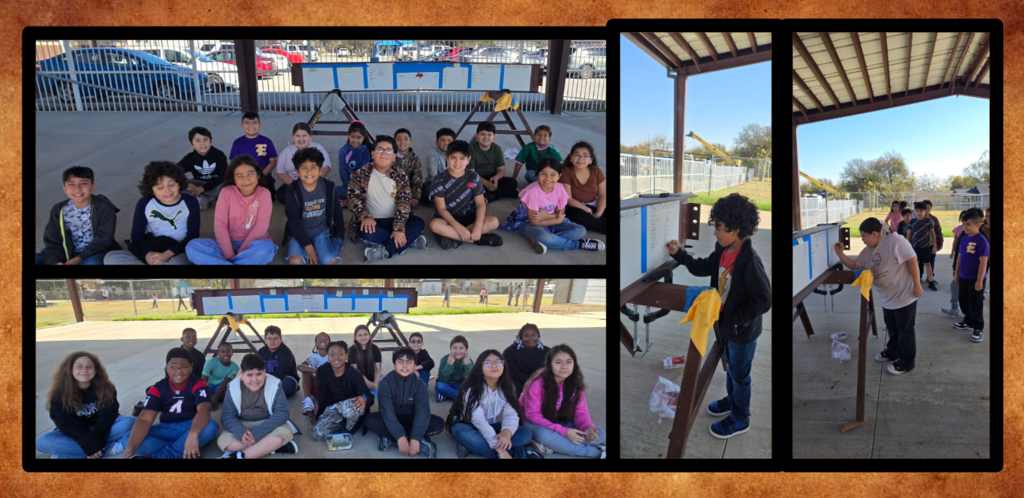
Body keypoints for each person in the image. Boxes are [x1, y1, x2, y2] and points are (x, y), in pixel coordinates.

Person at [666, 193, 772, 437]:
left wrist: (736, 320)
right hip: (725, 325)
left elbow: (764, 299)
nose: (715, 233)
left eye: (719, 228)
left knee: (740, 375)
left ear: (735, 230)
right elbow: (703, 267)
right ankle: (732, 400)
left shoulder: (749, 261)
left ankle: (740, 418)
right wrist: (679, 255)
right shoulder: (723, 250)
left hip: (741, 331)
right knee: (732, 369)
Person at [835, 217, 923, 375]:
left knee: (905, 330)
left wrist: (916, 284)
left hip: (904, 295)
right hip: (887, 297)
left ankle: (906, 362)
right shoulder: (869, 250)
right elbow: (856, 265)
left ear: (875, 233)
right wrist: (839, 254)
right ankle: (892, 352)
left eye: (864, 236)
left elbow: (913, 260)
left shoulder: (896, 241)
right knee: (892, 328)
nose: (862, 239)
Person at [118, 348, 220, 459]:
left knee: (210, 425)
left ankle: (160, 456)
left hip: (190, 426)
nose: (179, 371)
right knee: (127, 440)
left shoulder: (199, 384)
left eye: (184, 366)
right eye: (173, 366)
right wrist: (129, 451)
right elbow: (144, 419)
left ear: (191, 368)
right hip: (165, 429)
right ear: (167, 368)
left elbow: (204, 410)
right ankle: (183, 450)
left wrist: (193, 434)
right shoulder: (157, 388)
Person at [36, 352, 136, 459]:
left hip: (101, 428)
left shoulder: (106, 388)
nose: (84, 370)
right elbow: (66, 423)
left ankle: (68, 454)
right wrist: (89, 444)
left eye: (89, 367)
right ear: (70, 370)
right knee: (43, 442)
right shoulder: (60, 393)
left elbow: (108, 417)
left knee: (129, 422)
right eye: (79, 367)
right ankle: (109, 449)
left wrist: (93, 444)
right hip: (76, 432)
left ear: (95, 370)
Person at [445, 350, 542, 459]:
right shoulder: (471, 389)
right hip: (465, 424)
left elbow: (511, 413)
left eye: (498, 362)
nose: (494, 366)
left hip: (492, 424)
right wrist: (501, 451)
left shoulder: (509, 387)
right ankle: (520, 453)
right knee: (468, 436)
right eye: (488, 363)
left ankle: (469, 446)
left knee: (525, 434)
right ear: (480, 369)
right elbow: (479, 421)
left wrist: (506, 432)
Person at [347, 135, 428, 263]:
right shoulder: (361, 174)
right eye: (379, 150)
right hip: (373, 222)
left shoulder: (400, 175)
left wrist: (399, 228)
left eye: (388, 150)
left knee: (419, 223)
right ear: (373, 154)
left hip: (397, 219)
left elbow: (404, 203)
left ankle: (386, 250)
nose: (384, 153)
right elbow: (352, 198)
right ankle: (409, 240)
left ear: (394, 156)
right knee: (363, 232)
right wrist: (365, 216)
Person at [499, 157, 604, 255]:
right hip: (527, 223)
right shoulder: (532, 192)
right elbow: (534, 221)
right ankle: (578, 244)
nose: (548, 178)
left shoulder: (560, 188)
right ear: (537, 175)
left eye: (553, 174)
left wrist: (549, 216)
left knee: (581, 230)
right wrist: (557, 219)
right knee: (542, 235)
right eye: (543, 174)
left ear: (559, 176)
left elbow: (561, 213)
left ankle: (547, 242)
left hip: (549, 219)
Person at [103, 161, 200, 265]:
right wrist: (147, 254)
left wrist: (166, 255)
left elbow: (193, 235)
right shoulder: (145, 203)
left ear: (179, 184)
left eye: (171, 184)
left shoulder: (190, 202)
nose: (167, 191)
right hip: (153, 247)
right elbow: (136, 235)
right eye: (160, 187)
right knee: (111, 258)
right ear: (152, 190)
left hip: (179, 250)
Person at [185, 155, 277, 265]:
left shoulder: (264, 194)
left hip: (254, 245)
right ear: (234, 179)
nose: (246, 179)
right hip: (227, 243)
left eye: (250, 174)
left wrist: (241, 251)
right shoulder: (226, 192)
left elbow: (261, 227)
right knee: (193, 247)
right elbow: (220, 225)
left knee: (266, 247)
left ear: (258, 175)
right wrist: (228, 253)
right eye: (239, 176)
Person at [520, 344, 606, 459]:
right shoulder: (537, 383)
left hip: (560, 421)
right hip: (534, 422)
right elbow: (533, 415)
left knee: (600, 434)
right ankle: (596, 452)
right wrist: (564, 432)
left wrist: (588, 428)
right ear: (550, 364)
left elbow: (580, 413)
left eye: (569, 362)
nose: (564, 367)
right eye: (558, 362)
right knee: (546, 436)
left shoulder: (574, 382)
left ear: (574, 364)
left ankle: (547, 445)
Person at [365, 347, 444, 458]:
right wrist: (400, 436)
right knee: (369, 420)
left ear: (415, 365)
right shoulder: (386, 382)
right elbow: (386, 411)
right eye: (400, 362)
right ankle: (416, 442)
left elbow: (423, 412)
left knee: (439, 424)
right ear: (394, 365)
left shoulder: (420, 384)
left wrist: (415, 437)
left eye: (409, 362)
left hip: (412, 418)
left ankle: (391, 439)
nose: (405, 366)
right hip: (393, 417)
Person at [217, 354, 298, 459]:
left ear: (265, 372)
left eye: (259, 374)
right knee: (223, 441)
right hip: (243, 424)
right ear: (242, 375)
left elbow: (282, 412)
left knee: (285, 432)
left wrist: (258, 432)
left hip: (267, 423)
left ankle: (238, 456)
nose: (254, 379)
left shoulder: (274, 384)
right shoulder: (233, 387)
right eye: (249, 375)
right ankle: (271, 447)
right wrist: (240, 432)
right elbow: (227, 415)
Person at [429, 140, 504, 250]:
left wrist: (478, 227)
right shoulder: (439, 179)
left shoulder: (473, 176)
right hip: (447, 218)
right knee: (434, 225)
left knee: (493, 222)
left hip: (470, 216)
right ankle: (477, 239)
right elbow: (441, 209)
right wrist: (458, 227)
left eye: (462, 158)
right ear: (447, 158)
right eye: (453, 158)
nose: (457, 163)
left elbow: (480, 204)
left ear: (468, 160)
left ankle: (454, 237)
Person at [38, 166, 121, 265]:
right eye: (71, 185)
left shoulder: (104, 207)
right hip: (68, 253)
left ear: (92, 187)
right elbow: (53, 241)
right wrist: (57, 262)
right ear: (65, 188)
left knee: (93, 263)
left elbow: (103, 240)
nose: (77, 189)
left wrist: (77, 259)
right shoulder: (59, 210)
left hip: (95, 253)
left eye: (83, 184)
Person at [282, 147, 345, 265]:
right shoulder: (293, 190)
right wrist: (308, 247)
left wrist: (340, 237)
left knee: (329, 261)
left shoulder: (329, 187)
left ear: (321, 170)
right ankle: (310, 250)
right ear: (297, 171)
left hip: (321, 231)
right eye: (304, 168)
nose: (309, 173)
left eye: (313, 168)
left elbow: (337, 212)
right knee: (295, 262)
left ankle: (331, 245)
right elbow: (293, 221)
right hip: (298, 233)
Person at [310, 341, 373, 441]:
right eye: (332, 354)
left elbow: (369, 396)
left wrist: (363, 398)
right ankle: (338, 424)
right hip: (334, 409)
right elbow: (322, 395)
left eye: (340, 353)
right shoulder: (323, 371)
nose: (336, 357)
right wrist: (319, 415)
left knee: (347, 408)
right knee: (317, 434)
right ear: (328, 358)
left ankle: (350, 426)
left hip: (350, 408)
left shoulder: (354, 375)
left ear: (346, 356)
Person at [953, 208, 990, 343]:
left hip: (976, 278)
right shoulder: (964, 238)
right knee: (964, 300)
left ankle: (978, 327)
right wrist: (957, 274)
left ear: (977, 225)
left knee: (975, 303)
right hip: (964, 276)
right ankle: (968, 321)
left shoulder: (982, 240)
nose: (965, 227)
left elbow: (983, 263)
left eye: (968, 224)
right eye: (963, 224)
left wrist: (980, 281)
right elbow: (959, 257)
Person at [275, 122, 333, 204]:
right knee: (281, 195)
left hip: (315, 181)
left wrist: (311, 182)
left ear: (310, 136)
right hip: (294, 183)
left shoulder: (318, 148)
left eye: (304, 135)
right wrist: (296, 185)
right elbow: (280, 172)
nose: (301, 139)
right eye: (297, 136)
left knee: (328, 191)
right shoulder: (286, 151)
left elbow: (325, 168)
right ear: (293, 137)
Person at [229, 111, 279, 202]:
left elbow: (273, 161)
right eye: (247, 123)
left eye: (254, 123)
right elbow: (234, 164)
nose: (251, 126)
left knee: (269, 196)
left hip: (263, 176)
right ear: (242, 126)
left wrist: (260, 175)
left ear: (260, 125)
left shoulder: (266, 141)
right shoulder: (237, 143)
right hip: (244, 176)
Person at [560, 141, 606, 234]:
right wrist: (587, 210)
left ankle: (598, 223)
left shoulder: (596, 171)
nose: (581, 159)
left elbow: (602, 194)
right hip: (575, 206)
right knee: (579, 217)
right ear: (571, 158)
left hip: (593, 204)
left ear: (591, 160)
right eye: (577, 155)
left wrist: (598, 213)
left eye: (585, 156)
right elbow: (569, 199)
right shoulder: (566, 172)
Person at [177, 126, 228, 210]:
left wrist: (204, 188)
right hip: (199, 184)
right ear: (191, 144)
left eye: (205, 140)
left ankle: (202, 198)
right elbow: (174, 172)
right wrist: (185, 184)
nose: (202, 143)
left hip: (215, 185)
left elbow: (224, 176)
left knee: (228, 186)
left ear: (210, 141)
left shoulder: (219, 155)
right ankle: (205, 198)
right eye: (198, 141)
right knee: (176, 184)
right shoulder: (190, 158)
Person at [468, 122, 518, 202]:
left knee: (513, 182)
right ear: (477, 136)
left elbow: (501, 170)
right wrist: (486, 183)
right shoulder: (471, 150)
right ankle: (501, 193)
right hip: (477, 178)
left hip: (492, 177)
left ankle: (491, 196)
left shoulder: (497, 149)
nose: (486, 137)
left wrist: (496, 178)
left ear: (494, 137)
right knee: (469, 187)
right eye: (483, 134)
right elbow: (471, 173)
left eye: (489, 134)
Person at [256, 326, 300, 397]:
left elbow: (281, 372)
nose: (272, 341)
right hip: (266, 380)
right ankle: (268, 392)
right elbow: (255, 368)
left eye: (275, 338)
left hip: (283, 379)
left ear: (281, 340)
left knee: (289, 384)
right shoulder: (261, 352)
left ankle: (267, 392)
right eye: (269, 338)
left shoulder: (286, 352)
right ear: (265, 340)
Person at [337, 121, 374, 205]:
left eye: (359, 137)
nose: (355, 140)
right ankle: (352, 198)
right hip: (349, 187)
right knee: (330, 191)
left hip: (368, 188)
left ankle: (350, 200)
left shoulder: (370, 150)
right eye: (352, 137)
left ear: (364, 137)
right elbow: (343, 172)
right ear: (348, 135)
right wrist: (350, 188)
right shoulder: (343, 151)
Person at [503, 323, 546, 393]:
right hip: (518, 386)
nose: (531, 338)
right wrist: (530, 383)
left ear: (538, 337)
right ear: (521, 338)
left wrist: (537, 384)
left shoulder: (547, 352)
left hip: (541, 386)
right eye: (526, 336)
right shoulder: (509, 352)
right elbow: (512, 372)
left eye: (534, 335)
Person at [905, 201, 938, 291]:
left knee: (927, 264)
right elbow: (909, 235)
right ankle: (915, 282)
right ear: (915, 211)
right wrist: (907, 246)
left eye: (921, 211)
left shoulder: (928, 221)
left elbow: (933, 234)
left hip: (926, 246)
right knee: (915, 264)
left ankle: (931, 282)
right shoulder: (912, 221)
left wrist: (934, 246)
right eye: (917, 211)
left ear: (925, 211)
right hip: (915, 247)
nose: (919, 213)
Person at [941, 211, 968, 318]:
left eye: (967, 222)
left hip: (970, 270)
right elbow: (958, 250)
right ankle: (954, 308)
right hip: (961, 266)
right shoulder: (962, 232)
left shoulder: (979, 237)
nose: (965, 225)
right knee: (954, 285)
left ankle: (968, 316)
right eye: (963, 220)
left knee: (959, 287)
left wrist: (980, 280)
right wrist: (955, 268)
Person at [300, 332, 331, 416]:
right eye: (320, 339)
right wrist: (316, 370)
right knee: (306, 372)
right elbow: (300, 366)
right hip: (316, 385)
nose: (323, 340)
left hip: (330, 387)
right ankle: (308, 401)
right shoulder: (312, 356)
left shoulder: (332, 355)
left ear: (330, 343)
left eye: (325, 339)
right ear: (316, 343)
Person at [201, 342, 240, 411]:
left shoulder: (235, 367)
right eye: (222, 351)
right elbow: (203, 381)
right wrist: (204, 392)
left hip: (222, 387)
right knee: (199, 393)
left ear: (232, 353)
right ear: (218, 353)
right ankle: (212, 398)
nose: (226, 354)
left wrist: (216, 396)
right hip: (209, 385)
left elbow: (226, 382)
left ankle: (212, 398)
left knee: (230, 392)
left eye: (228, 351)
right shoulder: (210, 362)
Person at [422, 128, 455, 205]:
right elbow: (433, 175)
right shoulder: (431, 155)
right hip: (435, 182)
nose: (446, 143)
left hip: (453, 181)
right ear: (436, 142)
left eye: (449, 140)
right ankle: (433, 199)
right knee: (426, 189)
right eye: (442, 140)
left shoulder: (457, 154)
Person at [435, 335, 473, 402]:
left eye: (461, 348)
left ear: (466, 349)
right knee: (439, 386)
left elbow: (471, 381)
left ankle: (446, 395)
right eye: (455, 348)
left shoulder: (468, 361)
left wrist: (468, 366)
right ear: (451, 349)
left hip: (461, 385)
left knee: (473, 387)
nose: (458, 351)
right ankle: (463, 397)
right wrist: (449, 365)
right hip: (448, 384)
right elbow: (441, 380)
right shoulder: (445, 359)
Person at [348, 325, 383, 397]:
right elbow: (355, 371)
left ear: (369, 335)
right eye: (360, 335)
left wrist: (376, 383)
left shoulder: (374, 348)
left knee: (386, 380)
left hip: (372, 379)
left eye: (365, 334)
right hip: (359, 380)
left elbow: (377, 369)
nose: (363, 337)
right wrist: (369, 384)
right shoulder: (352, 350)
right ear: (355, 337)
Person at [394, 128, 424, 207]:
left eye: (406, 139)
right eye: (399, 139)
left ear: (410, 142)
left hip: (409, 188)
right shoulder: (390, 156)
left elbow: (417, 177)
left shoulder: (415, 158)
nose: (402, 142)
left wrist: (415, 196)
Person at [923, 200, 945, 287]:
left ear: (931, 209)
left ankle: (930, 277)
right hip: (920, 245)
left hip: (931, 244)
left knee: (931, 262)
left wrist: (937, 245)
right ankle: (919, 277)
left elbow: (938, 232)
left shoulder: (934, 219)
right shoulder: (917, 219)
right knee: (919, 263)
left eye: (928, 208)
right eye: (925, 208)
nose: (927, 210)